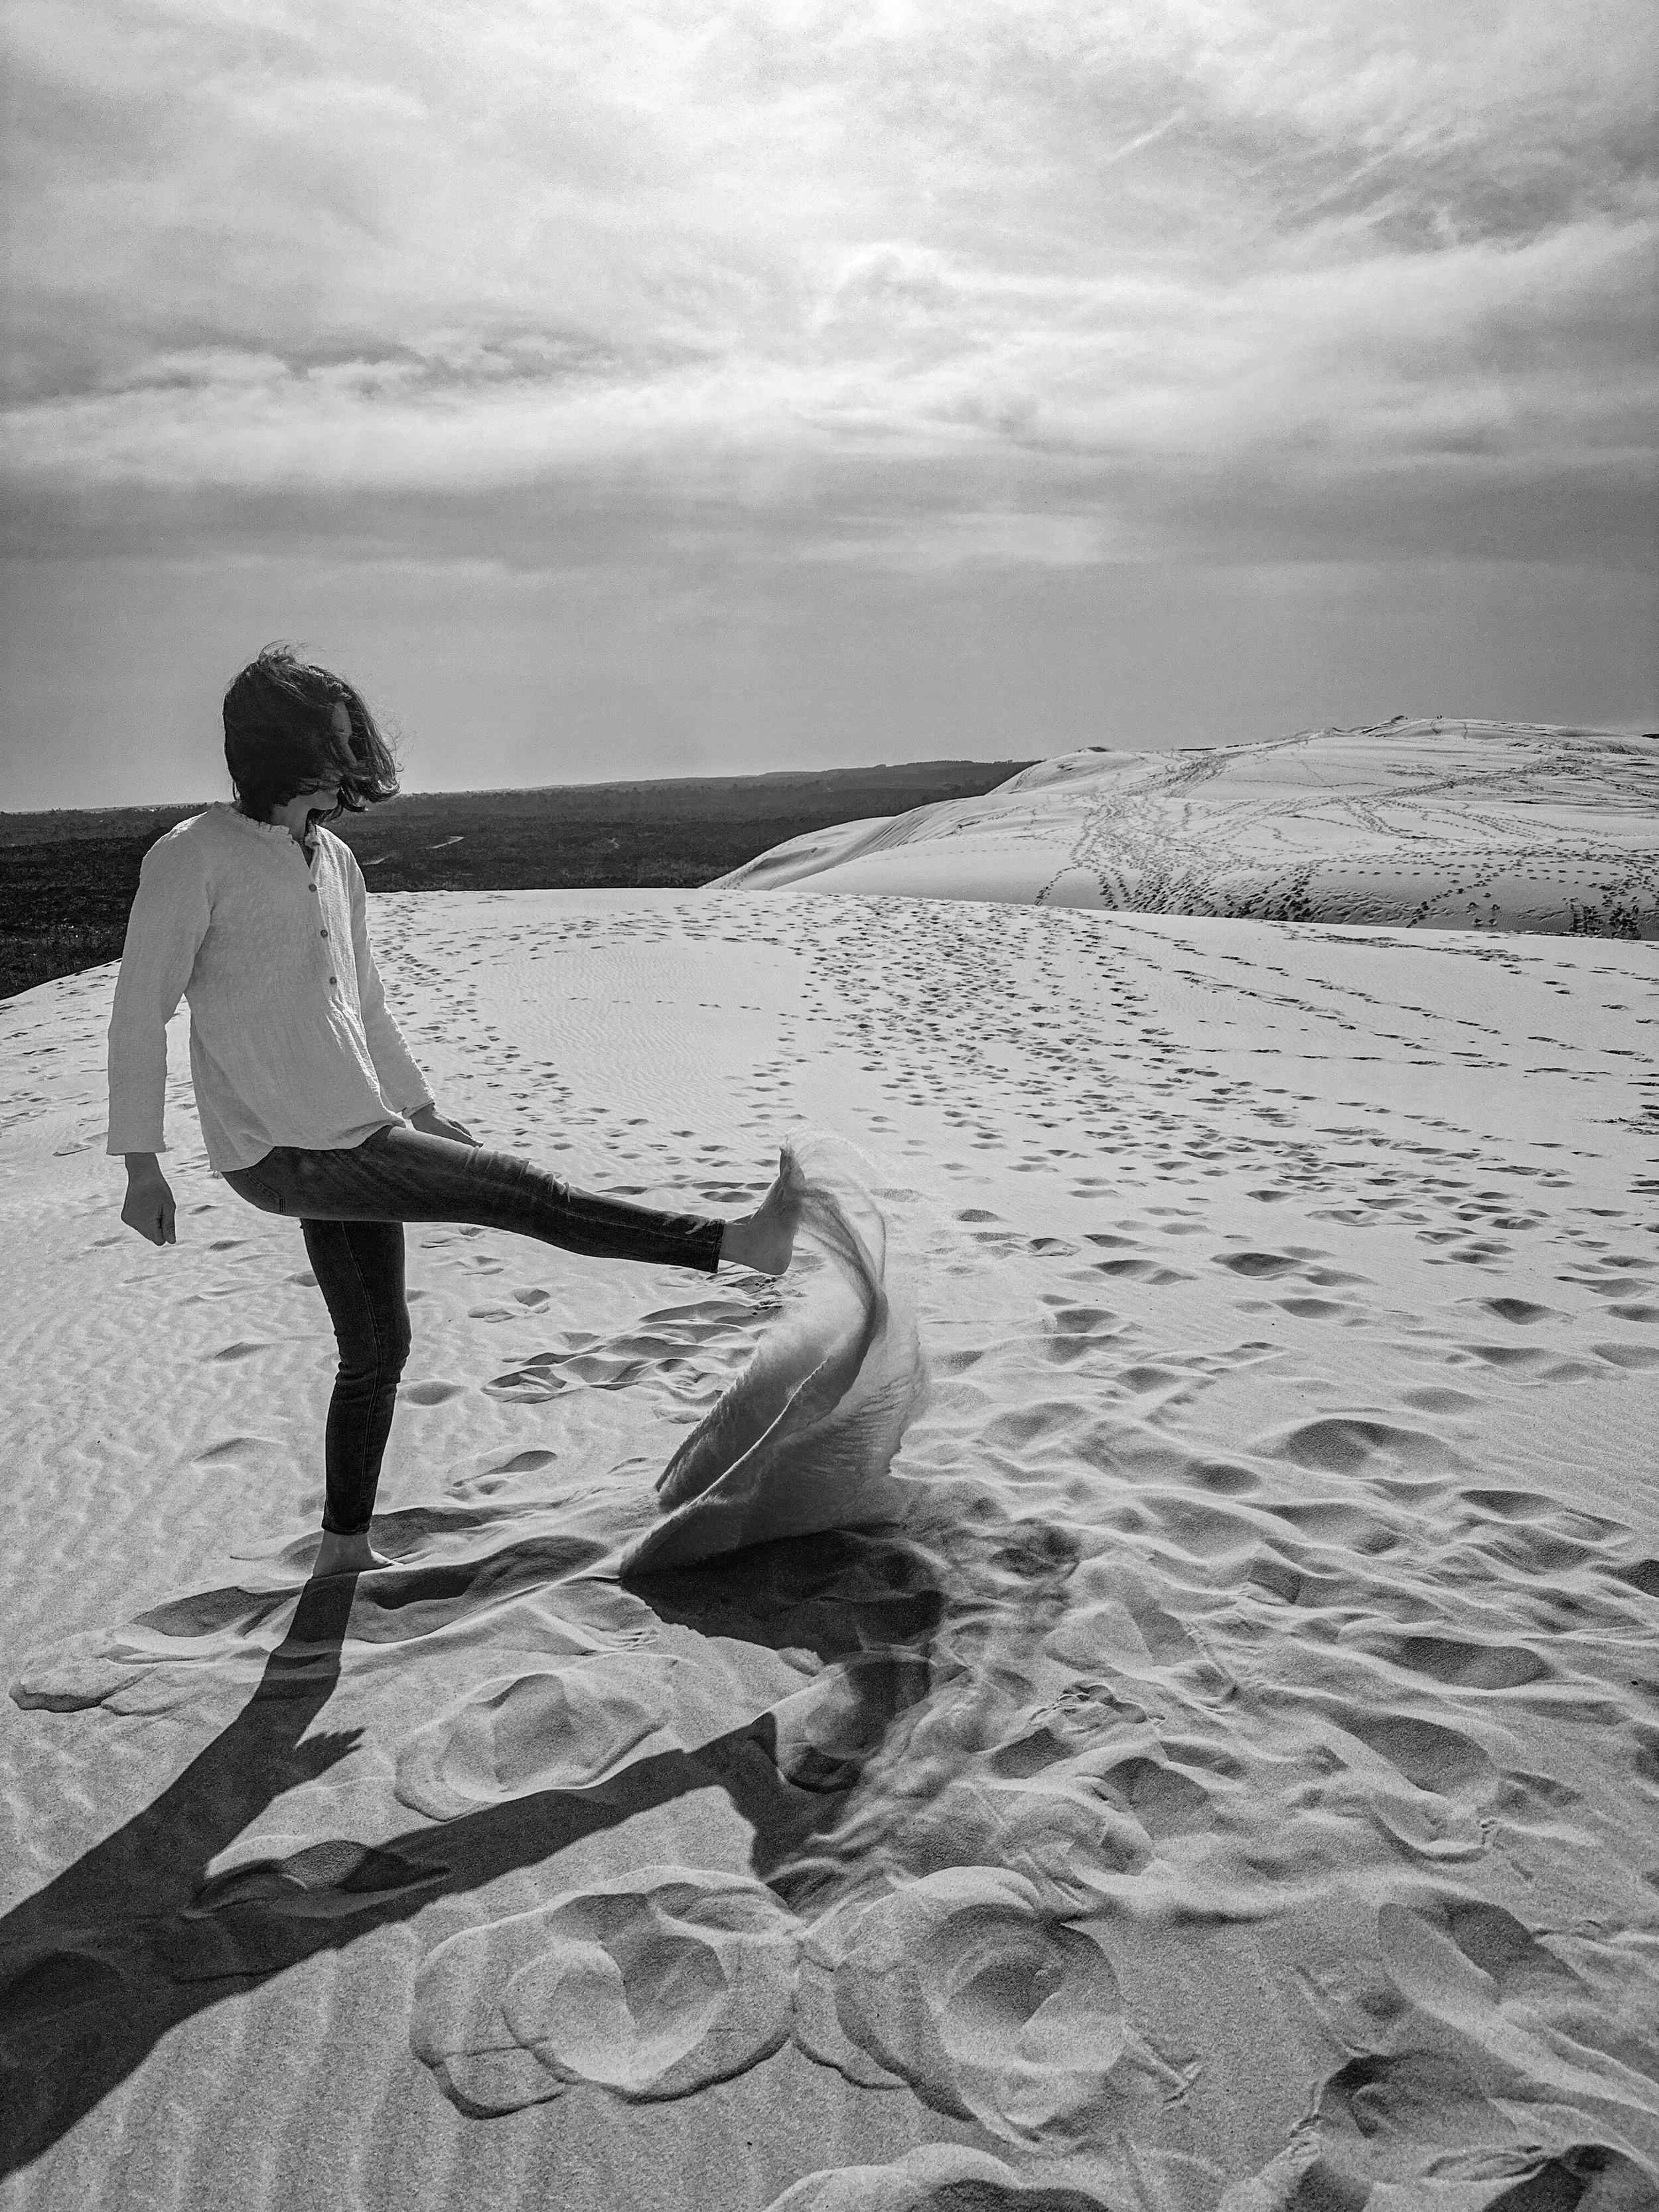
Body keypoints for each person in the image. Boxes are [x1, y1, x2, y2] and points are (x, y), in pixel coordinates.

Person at [109, 645, 802, 1580]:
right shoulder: (192, 857)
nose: (349, 758)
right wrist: (142, 1166)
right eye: (332, 741)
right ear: (277, 746)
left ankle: (344, 1549)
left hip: (354, 1126)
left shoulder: (336, 858)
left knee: (378, 1346)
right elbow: (137, 1015)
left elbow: (366, 1003)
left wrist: (422, 1110)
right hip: (282, 1147)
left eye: (351, 738)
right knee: (525, 1194)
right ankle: (733, 1245)